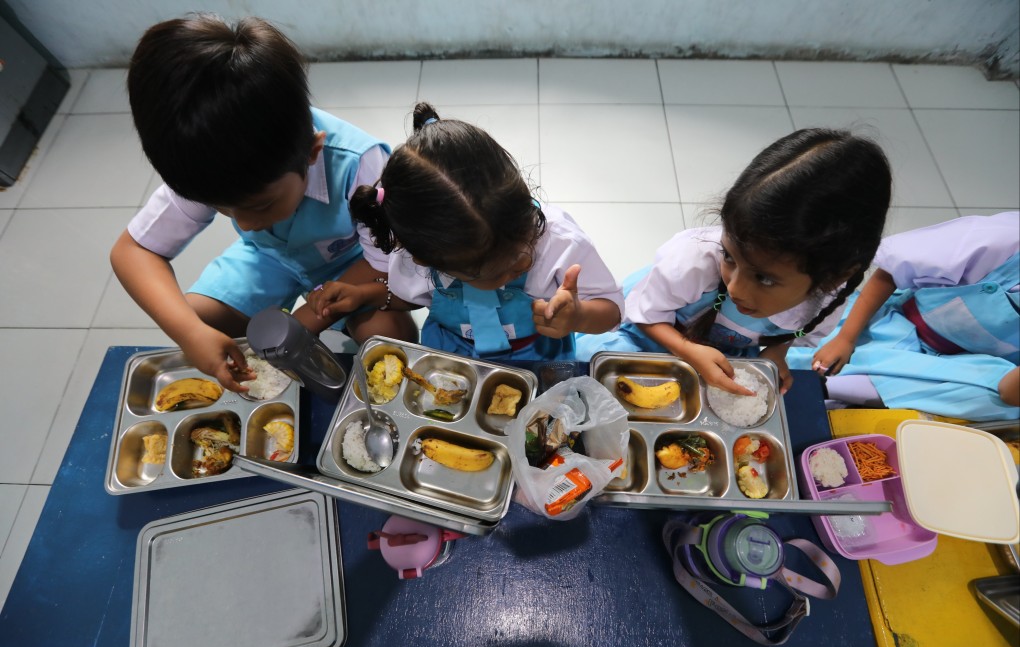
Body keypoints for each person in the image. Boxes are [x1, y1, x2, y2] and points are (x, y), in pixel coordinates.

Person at [109, 14, 417, 392]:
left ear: (312, 151)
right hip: (272, 258)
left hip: (358, 264)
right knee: (198, 318)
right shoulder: (209, 161)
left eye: (259, 206)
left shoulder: (363, 165)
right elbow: (133, 252)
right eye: (222, 208)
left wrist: (301, 324)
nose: (246, 224)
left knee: (389, 334)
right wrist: (191, 334)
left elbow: (389, 263)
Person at [576, 128, 892, 395]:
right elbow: (645, 316)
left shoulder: (825, 303)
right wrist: (688, 352)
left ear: (832, 279)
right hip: (650, 335)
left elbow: (794, 336)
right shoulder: (691, 260)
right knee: (592, 363)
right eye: (729, 257)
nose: (737, 288)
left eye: (764, 278)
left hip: (719, 355)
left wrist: (775, 354)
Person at [307, 103, 624, 361]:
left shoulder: (561, 243)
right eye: (501, 270)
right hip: (452, 356)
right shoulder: (417, 256)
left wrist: (579, 317)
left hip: (539, 355)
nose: (524, 263)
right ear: (426, 260)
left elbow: (611, 310)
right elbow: (410, 297)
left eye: (524, 243)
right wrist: (363, 294)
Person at [788, 212, 1020, 421]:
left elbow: (1009, 393)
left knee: (1008, 407)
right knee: (819, 347)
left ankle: (830, 389)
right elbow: (890, 273)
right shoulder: (1001, 239)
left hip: (968, 364)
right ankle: (839, 386)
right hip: (900, 321)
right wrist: (846, 338)